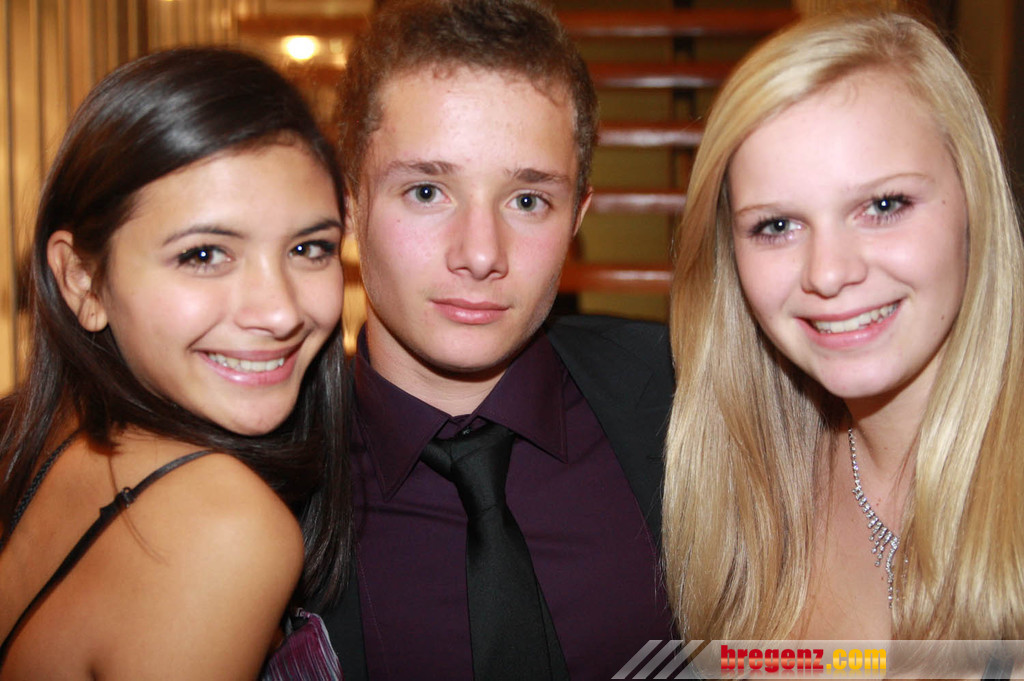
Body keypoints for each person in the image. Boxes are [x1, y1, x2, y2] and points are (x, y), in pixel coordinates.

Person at [317, 0, 676, 677]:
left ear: (577, 217)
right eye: (427, 191)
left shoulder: (683, 399)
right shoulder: (269, 473)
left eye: (527, 200)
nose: (481, 254)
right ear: (349, 202)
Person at [663, 8, 1024, 648]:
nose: (828, 273)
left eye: (883, 205)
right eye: (777, 225)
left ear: (975, 203)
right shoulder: (749, 490)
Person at [0, 47, 350, 678]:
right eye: (204, 255)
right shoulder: (223, 527)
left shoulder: (29, 427)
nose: (280, 312)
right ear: (82, 281)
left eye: (309, 248)